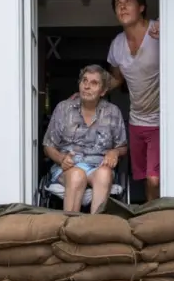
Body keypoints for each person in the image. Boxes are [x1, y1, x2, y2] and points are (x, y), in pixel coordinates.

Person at [43, 64, 128, 214]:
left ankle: (94, 229)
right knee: (77, 175)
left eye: (94, 83)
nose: (87, 86)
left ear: (103, 91)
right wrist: (61, 158)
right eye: (84, 81)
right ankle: (70, 228)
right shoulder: (64, 109)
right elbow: (48, 146)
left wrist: (114, 152)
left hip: (98, 166)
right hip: (68, 168)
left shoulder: (112, 112)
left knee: (105, 173)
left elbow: (123, 146)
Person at [107, 0, 160, 202]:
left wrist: (170, 26)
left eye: (128, 1)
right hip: (137, 120)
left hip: (161, 120)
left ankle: (154, 225)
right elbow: (116, 80)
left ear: (141, 7)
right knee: (142, 178)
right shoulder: (117, 44)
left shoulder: (158, 30)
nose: (122, 6)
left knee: (153, 178)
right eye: (118, 4)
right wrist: (86, 93)